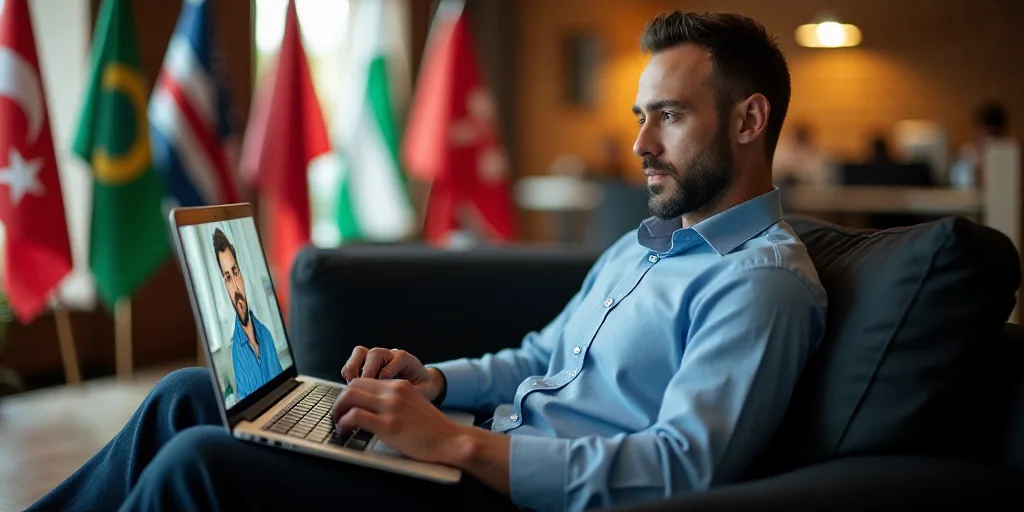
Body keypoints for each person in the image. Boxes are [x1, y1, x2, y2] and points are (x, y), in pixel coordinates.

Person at [27, 11, 826, 512]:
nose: (640, 144)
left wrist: (454, 444)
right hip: (466, 448)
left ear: (750, 119)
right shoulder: (646, 243)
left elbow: (680, 468)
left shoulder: (760, 285)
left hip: (497, 489)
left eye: (670, 117)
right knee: (187, 398)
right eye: (640, 116)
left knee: (203, 462)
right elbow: (541, 358)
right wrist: (434, 384)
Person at [213, 227, 282, 401]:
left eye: (235, 272)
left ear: (242, 275)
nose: (235, 287)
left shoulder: (266, 334)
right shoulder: (233, 354)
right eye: (228, 278)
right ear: (225, 288)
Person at [950, 100, 1011, 190]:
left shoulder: (1010, 155)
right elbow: (960, 190)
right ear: (976, 131)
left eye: (994, 137)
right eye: (985, 136)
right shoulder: (965, 156)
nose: (989, 142)